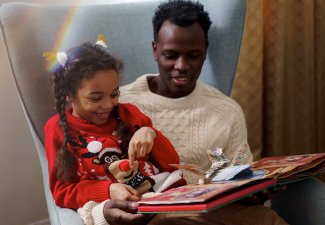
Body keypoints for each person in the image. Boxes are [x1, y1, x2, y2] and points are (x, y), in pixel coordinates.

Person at [77, 1, 289, 225]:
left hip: (212, 216)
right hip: (149, 215)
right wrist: (102, 212)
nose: (182, 65)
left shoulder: (227, 111)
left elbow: (237, 181)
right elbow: (84, 177)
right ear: (154, 50)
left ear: (205, 52)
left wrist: (252, 194)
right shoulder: (115, 104)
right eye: (170, 55)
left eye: (193, 55)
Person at [44, 38, 186, 210]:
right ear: (69, 94)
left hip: (165, 197)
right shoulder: (56, 129)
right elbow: (62, 192)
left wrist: (152, 134)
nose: (108, 105)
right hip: (124, 212)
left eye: (114, 94)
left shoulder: (130, 114)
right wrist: (108, 190)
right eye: (96, 98)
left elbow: (172, 165)